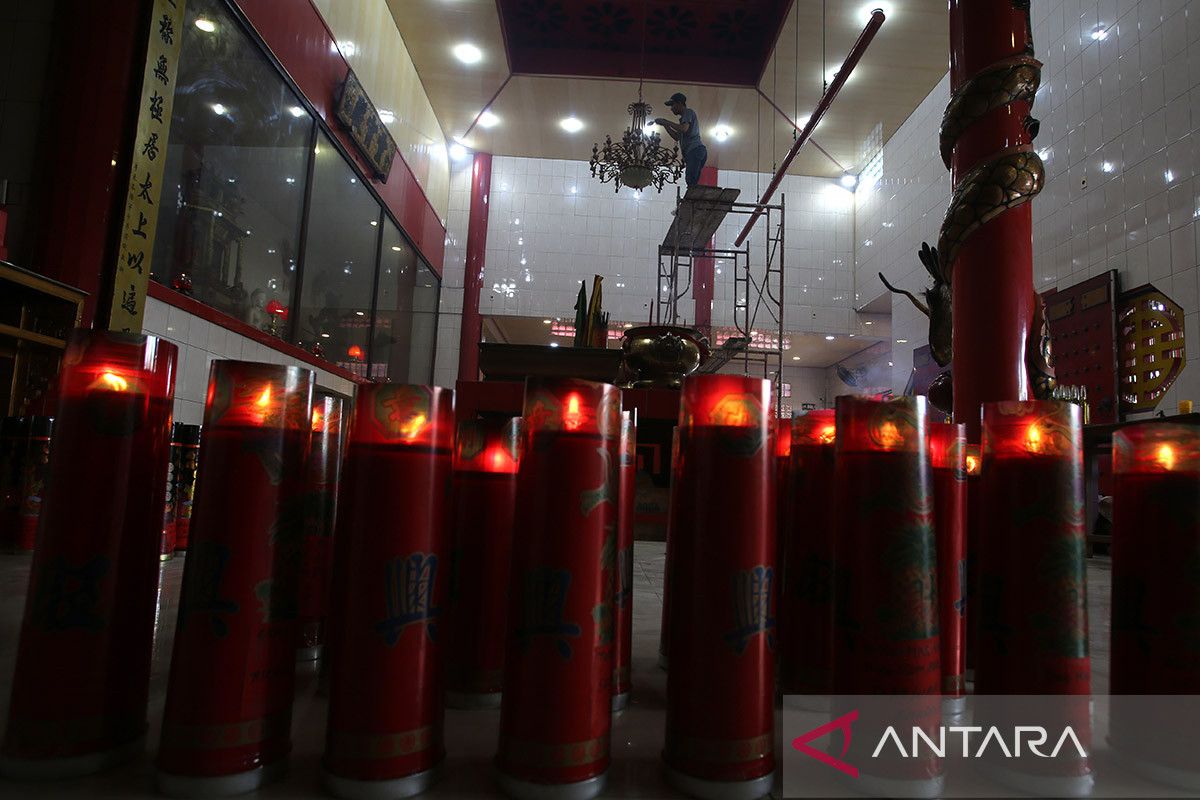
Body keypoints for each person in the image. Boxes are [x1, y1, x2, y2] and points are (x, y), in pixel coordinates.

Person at [655, 92, 707, 188]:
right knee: (692, 180)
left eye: (672, 105)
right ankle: (692, 198)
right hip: (695, 152)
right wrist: (665, 125)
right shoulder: (683, 120)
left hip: (695, 150)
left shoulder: (688, 112)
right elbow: (677, 137)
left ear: (679, 103)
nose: (671, 108)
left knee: (691, 180)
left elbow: (683, 129)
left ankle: (692, 199)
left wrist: (666, 122)